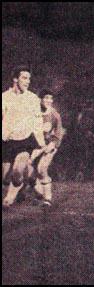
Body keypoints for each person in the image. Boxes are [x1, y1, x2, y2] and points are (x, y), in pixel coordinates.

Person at [2, 66, 48, 207]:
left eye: (29, 78)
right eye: (24, 78)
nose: (28, 81)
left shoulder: (32, 99)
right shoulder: (4, 97)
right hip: (7, 141)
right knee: (5, 178)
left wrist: (42, 143)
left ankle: (9, 198)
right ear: (15, 79)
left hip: (25, 141)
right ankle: (30, 180)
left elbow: (37, 122)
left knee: (17, 170)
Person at [29, 90, 65, 207]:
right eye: (46, 98)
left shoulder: (55, 115)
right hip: (35, 145)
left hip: (49, 145)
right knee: (28, 171)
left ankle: (47, 199)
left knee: (42, 168)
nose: (49, 100)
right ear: (40, 99)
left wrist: (52, 145)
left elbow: (58, 134)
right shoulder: (34, 113)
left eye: (51, 98)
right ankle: (38, 192)